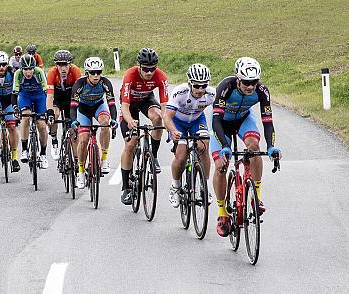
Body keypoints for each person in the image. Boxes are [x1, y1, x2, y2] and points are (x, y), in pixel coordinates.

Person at [211, 57, 281, 237]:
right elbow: (216, 120)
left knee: (254, 147)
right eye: (246, 82)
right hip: (222, 126)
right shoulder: (225, 87)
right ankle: (222, 214)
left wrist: (272, 146)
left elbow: (268, 122)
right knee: (220, 166)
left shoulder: (262, 91)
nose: (250, 87)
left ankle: (255, 197)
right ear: (238, 78)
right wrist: (225, 146)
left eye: (254, 82)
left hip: (243, 120)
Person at [119, 48, 169, 205]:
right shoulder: (130, 75)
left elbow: (165, 106)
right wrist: (130, 121)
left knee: (158, 118)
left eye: (152, 69)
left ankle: (153, 156)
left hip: (147, 99)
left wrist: (169, 124)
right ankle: (126, 187)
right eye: (146, 69)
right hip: (130, 104)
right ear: (138, 66)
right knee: (131, 143)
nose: (149, 72)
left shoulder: (161, 76)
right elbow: (125, 107)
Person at [163, 63, 216, 208]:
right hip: (178, 122)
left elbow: (221, 113)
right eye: (196, 86)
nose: (200, 89)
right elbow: (167, 117)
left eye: (204, 85)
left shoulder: (211, 94)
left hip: (197, 120)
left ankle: (204, 186)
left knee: (203, 147)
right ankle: (175, 186)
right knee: (181, 157)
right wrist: (173, 131)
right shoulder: (180, 92)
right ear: (189, 83)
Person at [70, 57, 117, 189]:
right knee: (83, 140)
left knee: (105, 123)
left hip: (98, 106)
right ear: (87, 73)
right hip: (83, 109)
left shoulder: (105, 83)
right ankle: (80, 172)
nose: (96, 75)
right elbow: (73, 106)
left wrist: (113, 119)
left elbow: (111, 103)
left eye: (98, 72)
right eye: (92, 72)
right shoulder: (79, 85)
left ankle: (105, 159)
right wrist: (74, 121)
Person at [12, 54, 49, 169]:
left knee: (42, 125)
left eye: (30, 69)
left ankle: (43, 154)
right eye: (25, 69)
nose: (28, 73)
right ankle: (24, 150)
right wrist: (15, 108)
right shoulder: (17, 74)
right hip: (25, 96)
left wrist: (49, 109)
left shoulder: (39, 72)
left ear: (34, 68)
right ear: (21, 69)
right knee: (25, 117)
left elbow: (46, 91)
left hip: (39, 97)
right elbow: (14, 93)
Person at [45, 50, 82, 161]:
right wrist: (50, 112)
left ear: (70, 64)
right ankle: (54, 141)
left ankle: (76, 161)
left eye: (65, 65)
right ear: (56, 65)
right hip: (57, 98)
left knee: (73, 131)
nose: (63, 68)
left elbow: (79, 94)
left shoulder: (75, 71)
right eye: (60, 65)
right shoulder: (52, 73)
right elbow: (50, 96)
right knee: (54, 115)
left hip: (71, 99)